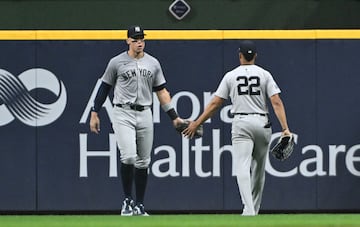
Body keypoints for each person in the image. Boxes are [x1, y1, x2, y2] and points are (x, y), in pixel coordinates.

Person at [183, 40, 292, 216]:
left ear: (239, 55)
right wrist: (285, 128)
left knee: (242, 165)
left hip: (241, 122)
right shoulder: (264, 74)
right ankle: (254, 209)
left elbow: (215, 103)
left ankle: (248, 209)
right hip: (262, 122)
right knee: (259, 169)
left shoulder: (231, 75)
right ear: (255, 56)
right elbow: (276, 101)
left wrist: (198, 122)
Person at [89, 25, 183, 216]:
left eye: (141, 39)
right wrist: (94, 112)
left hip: (145, 112)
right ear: (128, 41)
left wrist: (174, 117)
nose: (139, 42)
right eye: (135, 39)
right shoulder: (116, 62)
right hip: (123, 112)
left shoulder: (153, 63)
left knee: (143, 162)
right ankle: (127, 200)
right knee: (129, 156)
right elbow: (104, 88)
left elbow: (162, 92)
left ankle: (139, 205)